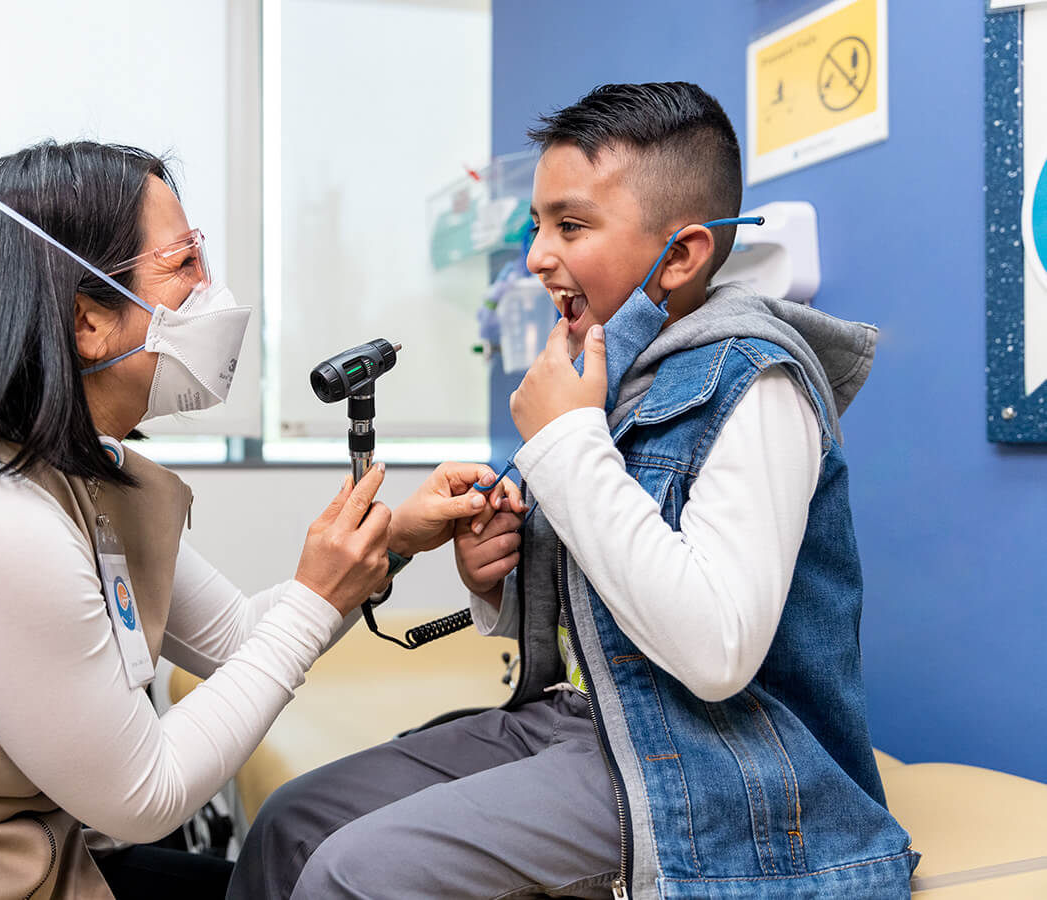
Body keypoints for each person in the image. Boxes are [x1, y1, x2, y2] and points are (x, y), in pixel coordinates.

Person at [0, 140, 500, 899]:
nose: (213, 293)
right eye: (183, 263)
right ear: (86, 320)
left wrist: (386, 545)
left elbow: (232, 642)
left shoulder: (69, 474)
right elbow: (145, 797)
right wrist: (322, 596)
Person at [232, 82, 920, 900]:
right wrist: (494, 578)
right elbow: (608, 595)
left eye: (571, 225)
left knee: (355, 872)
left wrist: (562, 442)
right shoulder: (614, 374)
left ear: (685, 254)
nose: (535, 257)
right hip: (588, 721)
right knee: (292, 823)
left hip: (718, 763)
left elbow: (717, 650)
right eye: (536, 227)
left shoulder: (755, 383)